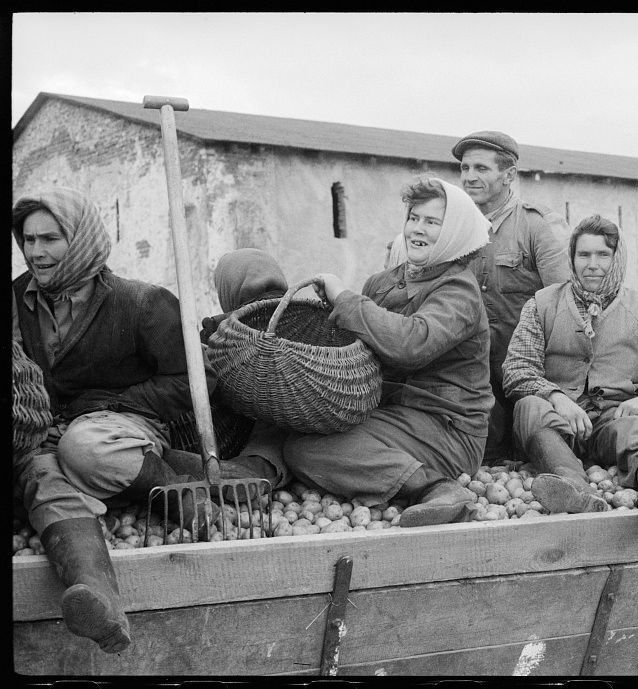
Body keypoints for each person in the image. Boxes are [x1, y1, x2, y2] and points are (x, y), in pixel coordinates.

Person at [10, 187, 213, 652]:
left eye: (50, 238)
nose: (36, 251)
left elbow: (195, 380)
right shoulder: (15, 300)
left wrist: (117, 402)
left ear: (79, 238)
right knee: (39, 472)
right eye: (28, 239)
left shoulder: (140, 303)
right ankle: (99, 598)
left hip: (122, 428)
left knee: (83, 446)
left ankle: (184, 498)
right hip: (45, 432)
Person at [283, 176, 493, 528]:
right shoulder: (383, 283)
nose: (417, 229)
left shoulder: (459, 289)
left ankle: (437, 489)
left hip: (448, 426)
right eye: (414, 218)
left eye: (432, 222)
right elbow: (360, 343)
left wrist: (346, 300)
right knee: (298, 435)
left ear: (454, 231)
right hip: (393, 416)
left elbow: (412, 343)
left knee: (306, 451)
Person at [502, 215, 638, 554]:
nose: (592, 265)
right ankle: (575, 490)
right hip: (558, 422)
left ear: (617, 259)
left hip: (614, 418)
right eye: (584, 255)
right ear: (572, 258)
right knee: (529, 407)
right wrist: (555, 396)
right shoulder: (542, 304)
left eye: (603, 255)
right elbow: (516, 369)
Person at [452, 130, 571, 463]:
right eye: (464, 169)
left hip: (529, 380)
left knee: (536, 454)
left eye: (481, 168)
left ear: (509, 175)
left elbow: (565, 305)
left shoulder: (538, 226)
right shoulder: (456, 229)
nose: (469, 177)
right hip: (474, 383)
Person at [162, 248, 294, 493]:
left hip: (230, 432)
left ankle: (247, 470)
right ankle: (259, 469)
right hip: (279, 436)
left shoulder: (219, 329)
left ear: (229, 288)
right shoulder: (302, 318)